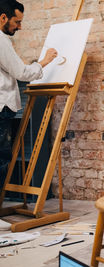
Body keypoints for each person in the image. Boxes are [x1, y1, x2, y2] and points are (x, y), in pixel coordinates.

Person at [0, 0, 57, 185]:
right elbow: (21, 73)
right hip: (1, 106)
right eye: (17, 22)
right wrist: (44, 62)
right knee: (1, 160)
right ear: (3, 18)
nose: (20, 27)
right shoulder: (1, 41)